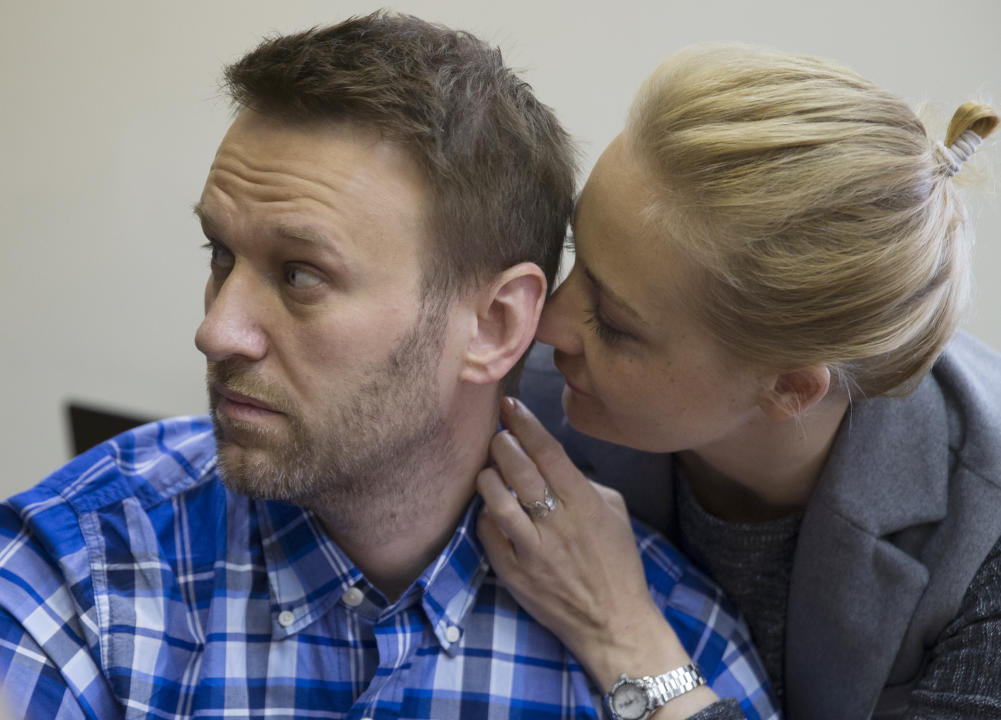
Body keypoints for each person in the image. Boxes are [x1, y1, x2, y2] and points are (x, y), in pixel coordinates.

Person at [0, 16, 778, 720]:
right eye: (221, 255)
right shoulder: (88, 569)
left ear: (497, 323)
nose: (216, 330)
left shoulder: (675, 648)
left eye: (301, 274)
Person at [478, 43, 1001, 720]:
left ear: (789, 389)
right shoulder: (524, 388)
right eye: (578, 252)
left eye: (611, 321)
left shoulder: (984, 547)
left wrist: (623, 637)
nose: (543, 325)